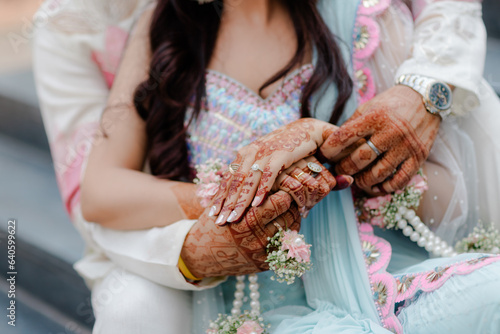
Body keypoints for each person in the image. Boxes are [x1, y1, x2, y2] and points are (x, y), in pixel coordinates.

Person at [33, 0, 500, 333]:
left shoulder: (359, 18)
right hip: (243, 303)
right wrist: (242, 198)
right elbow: (99, 191)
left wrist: (331, 152)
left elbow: (451, 175)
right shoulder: (164, 28)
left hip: (374, 273)